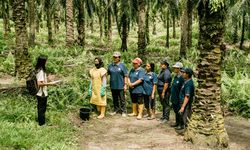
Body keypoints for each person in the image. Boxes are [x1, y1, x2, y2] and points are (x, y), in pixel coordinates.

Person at [35, 55, 56, 126]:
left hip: (40, 93)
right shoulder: (41, 71)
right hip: (42, 93)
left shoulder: (39, 70)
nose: (47, 62)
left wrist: (48, 78)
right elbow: (39, 84)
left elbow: (41, 81)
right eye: (46, 61)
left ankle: (41, 122)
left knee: (41, 108)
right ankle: (42, 124)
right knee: (42, 109)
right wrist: (50, 84)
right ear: (43, 62)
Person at [107, 52, 128, 117]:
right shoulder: (110, 65)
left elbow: (126, 76)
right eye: (114, 57)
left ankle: (123, 111)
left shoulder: (122, 65)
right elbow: (107, 74)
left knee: (122, 99)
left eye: (116, 57)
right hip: (113, 85)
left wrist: (125, 85)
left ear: (119, 58)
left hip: (120, 85)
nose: (115, 58)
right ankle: (116, 110)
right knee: (115, 98)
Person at [170, 62, 185, 128]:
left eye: (175, 68)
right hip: (174, 97)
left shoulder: (182, 78)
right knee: (176, 111)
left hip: (179, 98)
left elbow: (182, 89)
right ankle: (177, 122)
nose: (174, 69)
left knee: (179, 111)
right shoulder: (176, 76)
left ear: (179, 69)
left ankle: (181, 124)